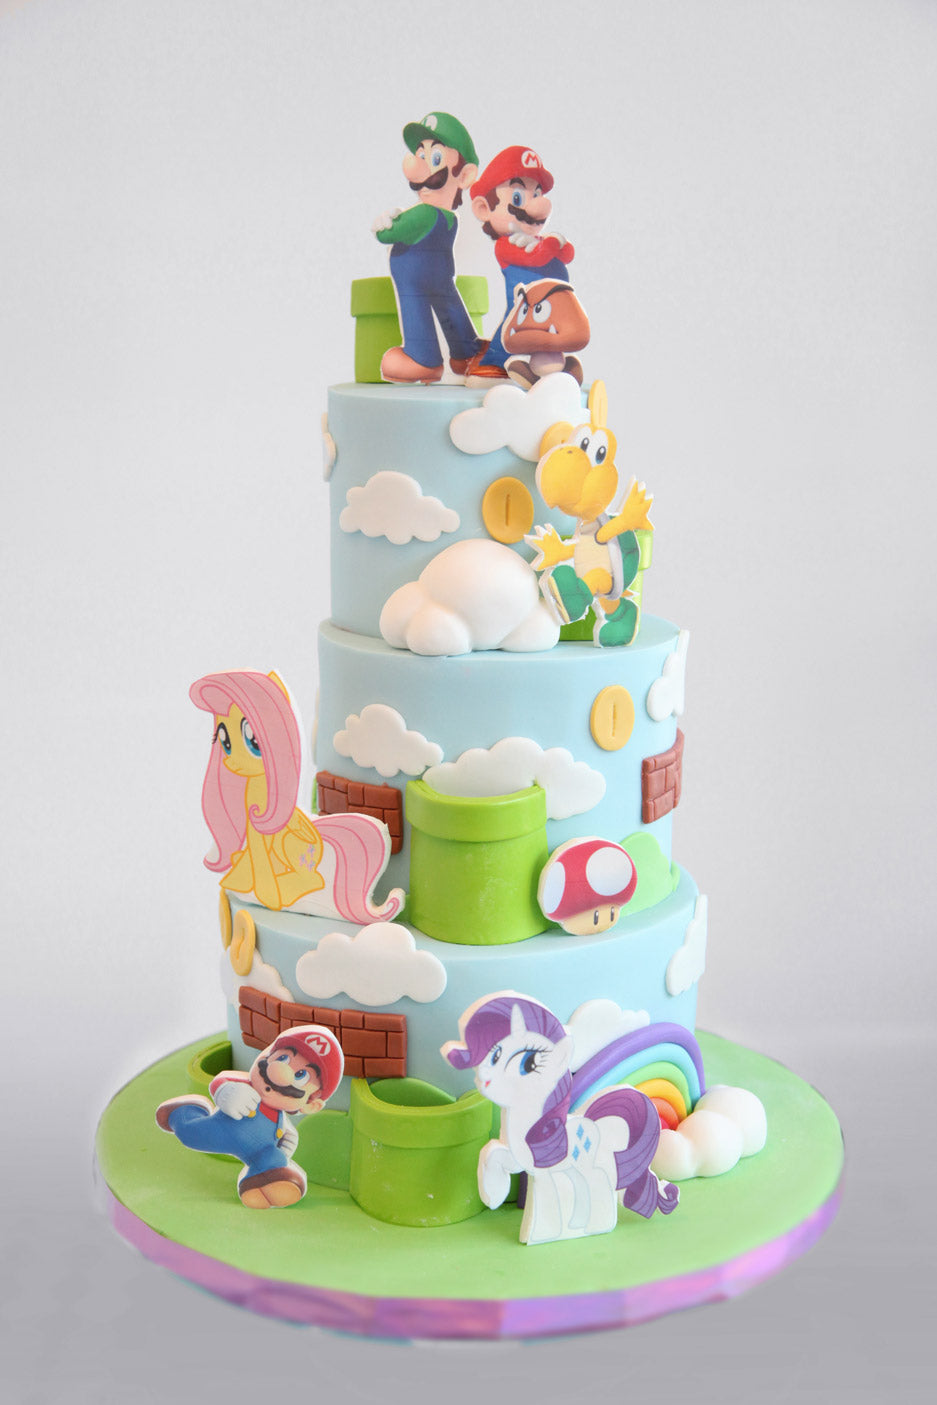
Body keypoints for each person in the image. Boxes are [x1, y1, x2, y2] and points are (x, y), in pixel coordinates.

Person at [156, 1025, 344, 1207]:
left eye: (301, 1075)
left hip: (260, 1151)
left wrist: (286, 1146)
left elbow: (288, 1137)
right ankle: (183, 1112)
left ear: (311, 1105)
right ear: (266, 1055)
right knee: (191, 1135)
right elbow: (220, 1082)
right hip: (223, 1128)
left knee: (274, 1160)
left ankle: (258, 1183)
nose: (280, 1073)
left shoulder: (281, 1119)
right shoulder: (246, 1086)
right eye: (283, 1058)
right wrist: (228, 1093)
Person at [373, 110, 482, 384]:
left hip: (415, 280)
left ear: (465, 175)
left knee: (415, 306)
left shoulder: (424, 214)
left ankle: (423, 358)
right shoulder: (449, 220)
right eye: (420, 154)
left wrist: (387, 223)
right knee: (448, 304)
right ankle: (467, 352)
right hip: (440, 275)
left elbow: (387, 234)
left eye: (435, 159)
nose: (420, 168)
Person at [463, 145, 575, 385]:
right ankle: (493, 363)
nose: (536, 205)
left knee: (548, 336)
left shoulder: (539, 240)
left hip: (550, 309)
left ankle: (546, 370)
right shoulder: (507, 244)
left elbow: (568, 254)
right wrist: (553, 243)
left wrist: (556, 243)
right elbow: (535, 258)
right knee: (512, 326)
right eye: (518, 197)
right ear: (484, 209)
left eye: (537, 194)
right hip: (524, 308)